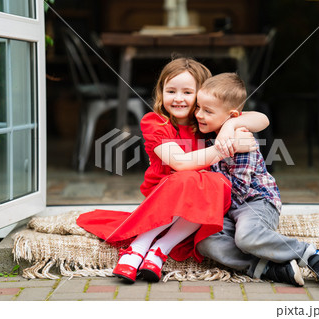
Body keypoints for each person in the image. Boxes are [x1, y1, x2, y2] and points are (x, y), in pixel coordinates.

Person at [76, 58, 269, 284]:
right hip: (163, 196)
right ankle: (137, 249)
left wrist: (230, 126)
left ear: (201, 95)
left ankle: (159, 250)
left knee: (214, 183)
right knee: (190, 178)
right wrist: (224, 147)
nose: (178, 98)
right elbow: (180, 163)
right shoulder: (155, 122)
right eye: (171, 91)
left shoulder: (207, 122)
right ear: (161, 92)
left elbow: (261, 119)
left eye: (187, 92)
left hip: (198, 202)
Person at [195, 73, 319, 289]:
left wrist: (204, 177)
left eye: (207, 111)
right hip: (228, 210)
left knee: (245, 237)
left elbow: (237, 189)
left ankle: (313, 256)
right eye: (198, 108)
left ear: (233, 115)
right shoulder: (207, 131)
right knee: (206, 242)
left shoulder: (242, 139)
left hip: (255, 202)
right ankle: (269, 268)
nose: (199, 114)